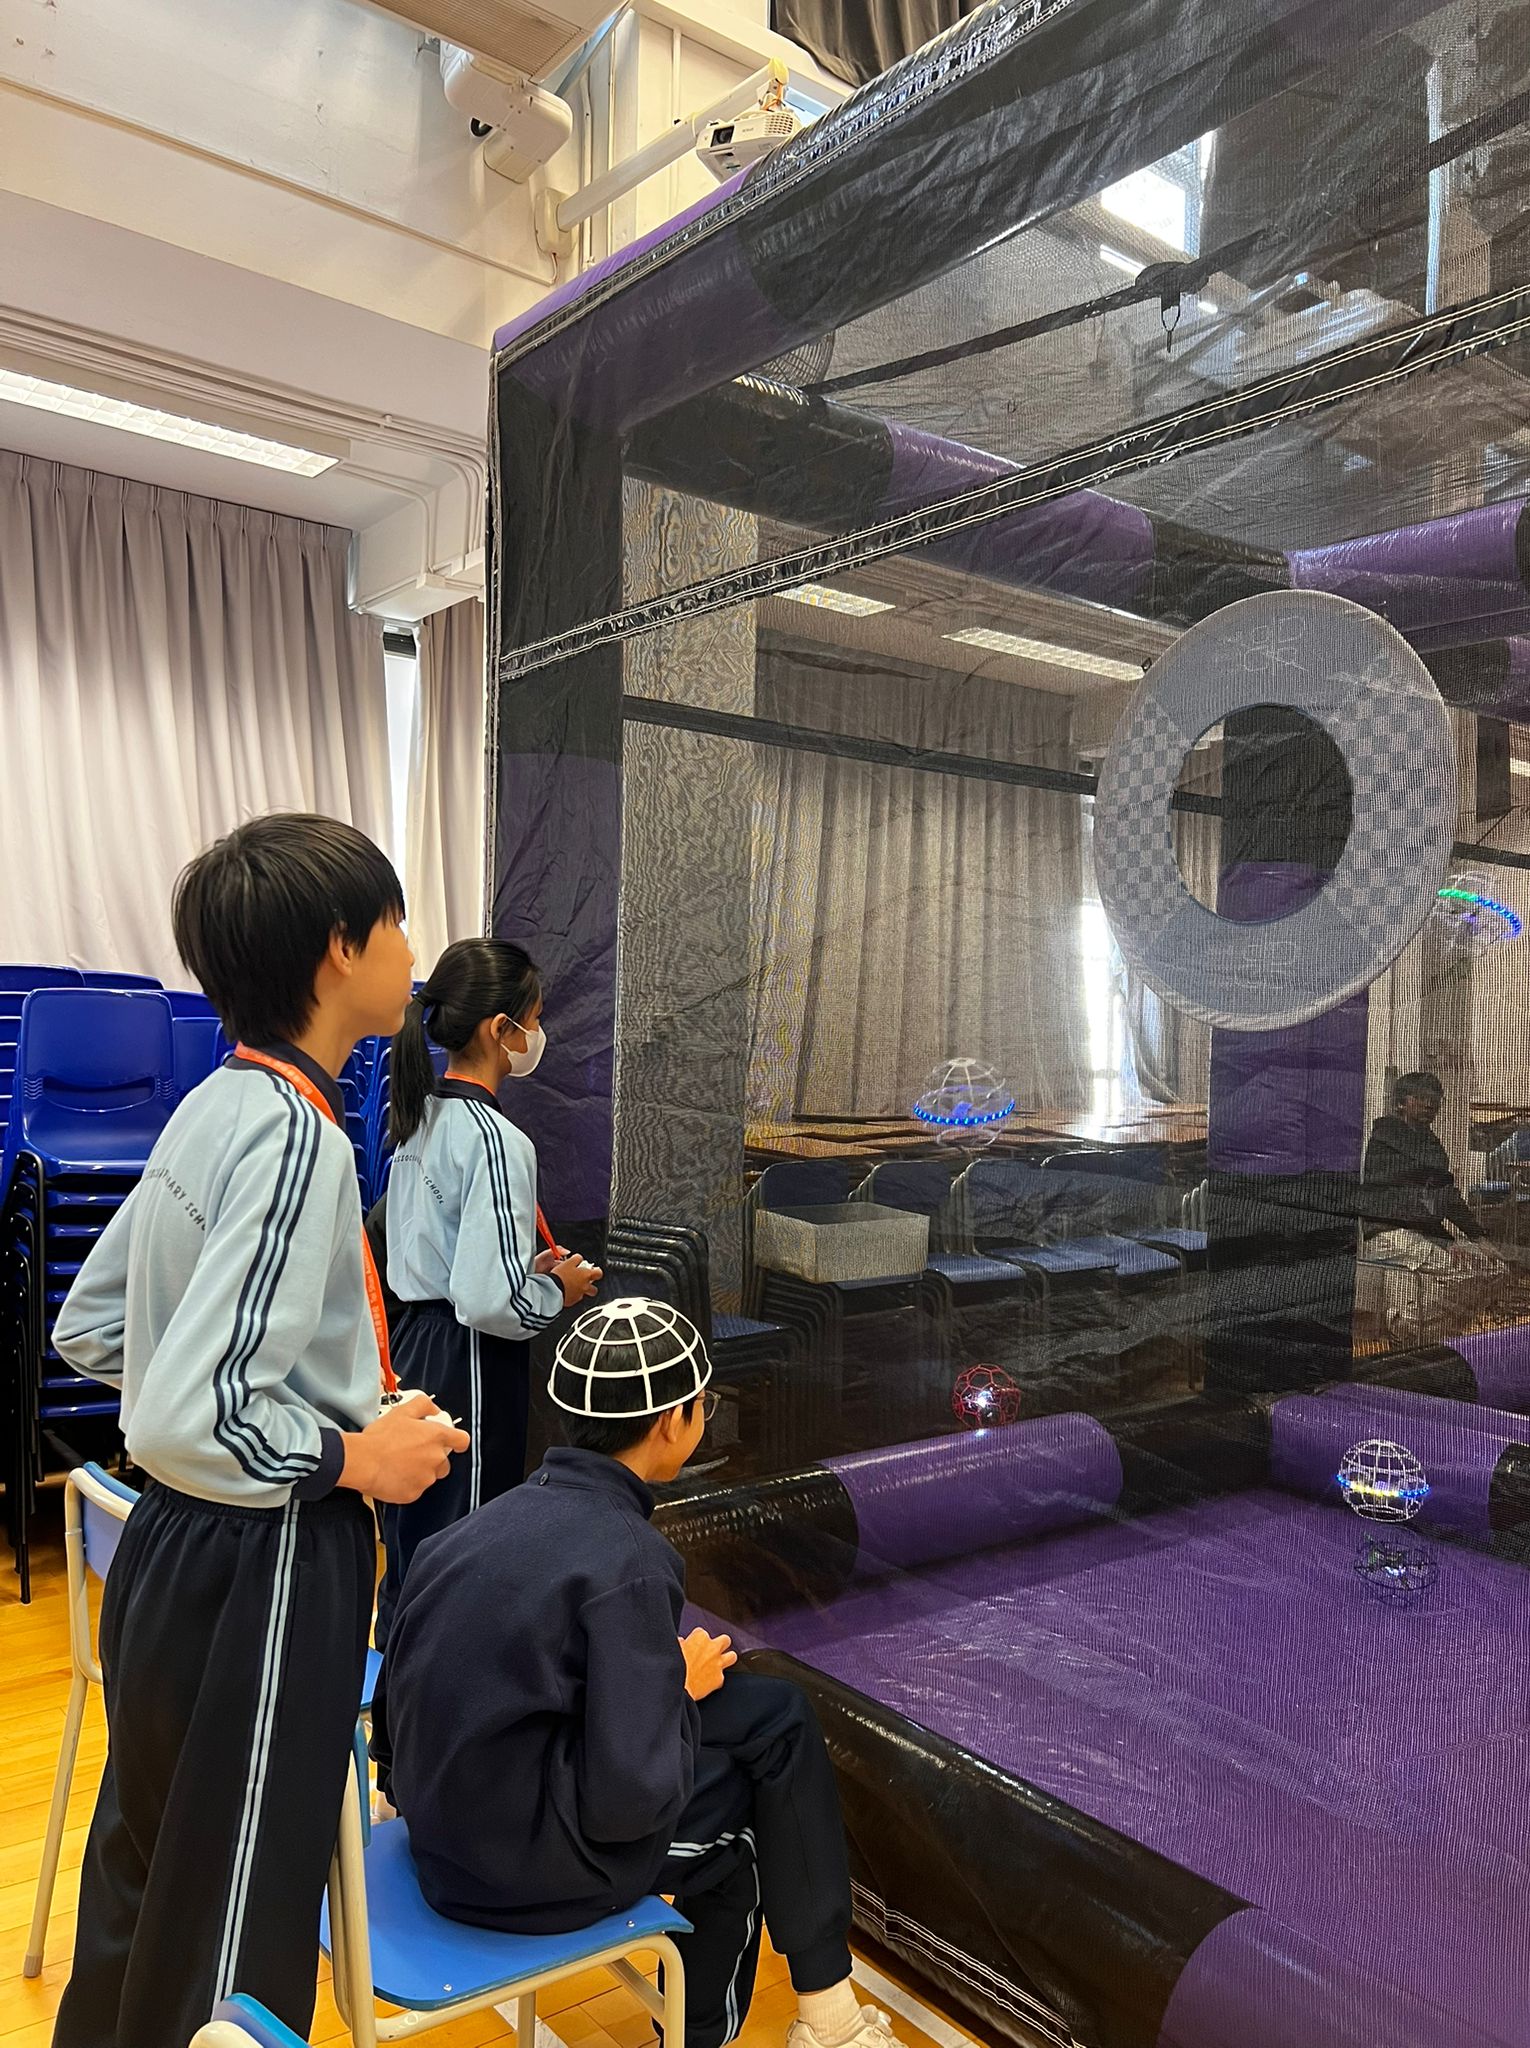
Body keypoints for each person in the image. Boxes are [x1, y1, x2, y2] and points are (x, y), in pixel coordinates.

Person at [50, 814, 471, 2048]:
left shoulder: (211, 1106)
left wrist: (314, 1406)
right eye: (396, 923)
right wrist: (353, 1452)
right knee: (236, 1940)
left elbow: (94, 1326)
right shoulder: (301, 1138)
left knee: (148, 1880)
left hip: (173, 1550)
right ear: (339, 949)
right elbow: (198, 1408)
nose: (412, 951)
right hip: (268, 1559)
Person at [372, 1299, 896, 2048]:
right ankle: (801, 2023)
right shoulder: (629, 1558)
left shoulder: (467, 1533)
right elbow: (628, 1799)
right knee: (751, 1825)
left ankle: (823, 2011)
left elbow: (395, 1720)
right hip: (516, 1877)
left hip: (443, 1835)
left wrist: (666, 1690)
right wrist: (673, 1690)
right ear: (674, 1421)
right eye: (703, 1404)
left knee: (775, 1713)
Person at [372, 938, 602, 1650]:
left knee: (414, 1530)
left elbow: (438, 1253)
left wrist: (520, 1269)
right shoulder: (498, 1140)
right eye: (533, 1019)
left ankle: (399, 1689)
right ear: (500, 1030)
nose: (539, 1034)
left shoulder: (417, 1116)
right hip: (468, 1359)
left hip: (411, 1348)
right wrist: (557, 1288)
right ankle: (451, 1687)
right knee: (464, 1539)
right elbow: (489, 1303)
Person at [1361, 1071, 1505, 1330]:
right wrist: (1449, 1242)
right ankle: (1403, 1324)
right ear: (1401, 1103)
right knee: (1466, 1270)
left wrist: (1477, 1238)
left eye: (1435, 1099)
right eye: (1420, 1098)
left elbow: (1444, 1195)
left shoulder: (1429, 1142)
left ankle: (1434, 1330)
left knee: (1495, 1269)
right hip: (1389, 1232)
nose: (1430, 1104)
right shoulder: (1388, 1138)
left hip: (1419, 1232)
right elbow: (1409, 1204)